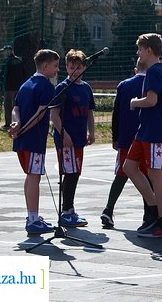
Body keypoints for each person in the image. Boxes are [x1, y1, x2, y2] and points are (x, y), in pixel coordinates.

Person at [123, 33, 162, 238]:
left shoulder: (155, 72)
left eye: (140, 49)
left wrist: (135, 101)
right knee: (129, 167)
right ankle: (154, 208)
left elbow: (152, 100)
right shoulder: (158, 71)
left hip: (154, 131)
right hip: (146, 130)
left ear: (149, 50)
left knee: (155, 172)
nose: (138, 52)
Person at [8, 48, 60, 235]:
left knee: (30, 176)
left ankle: (32, 216)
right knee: (34, 177)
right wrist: (21, 128)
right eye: (55, 66)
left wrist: (17, 122)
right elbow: (39, 115)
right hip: (33, 141)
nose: (57, 70)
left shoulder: (26, 84)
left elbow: (16, 109)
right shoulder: (46, 86)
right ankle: (33, 219)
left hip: (22, 141)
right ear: (45, 66)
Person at [50, 49, 96, 228]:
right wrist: (64, 135)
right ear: (66, 68)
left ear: (84, 67)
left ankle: (69, 209)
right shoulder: (62, 88)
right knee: (69, 173)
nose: (74, 71)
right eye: (70, 67)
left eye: (78, 68)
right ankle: (66, 210)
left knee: (75, 173)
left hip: (79, 139)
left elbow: (90, 113)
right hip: (65, 139)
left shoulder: (86, 88)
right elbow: (54, 115)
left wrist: (91, 132)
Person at [100, 60, 147, 229]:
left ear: (135, 70)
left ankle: (109, 209)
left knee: (122, 173)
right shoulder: (153, 83)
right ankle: (148, 214)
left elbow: (116, 113)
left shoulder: (124, 85)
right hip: (146, 137)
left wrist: (115, 137)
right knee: (148, 175)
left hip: (126, 138)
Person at [0, 44, 27, 130]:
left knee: (8, 106)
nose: (3, 53)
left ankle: (8, 124)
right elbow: (24, 73)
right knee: (16, 106)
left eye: (4, 51)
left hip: (9, 88)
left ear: (9, 51)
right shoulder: (19, 60)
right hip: (17, 87)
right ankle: (15, 122)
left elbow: (3, 74)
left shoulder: (7, 61)